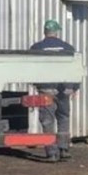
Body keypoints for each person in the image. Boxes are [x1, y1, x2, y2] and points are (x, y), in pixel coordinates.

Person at [29, 18, 78, 162]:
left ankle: (51, 153)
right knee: (63, 118)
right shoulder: (68, 48)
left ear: (45, 32)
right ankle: (64, 149)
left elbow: (31, 68)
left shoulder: (36, 48)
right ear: (57, 32)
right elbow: (75, 68)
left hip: (46, 88)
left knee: (47, 120)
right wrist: (74, 87)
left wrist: (36, 84)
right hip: (65, 88)